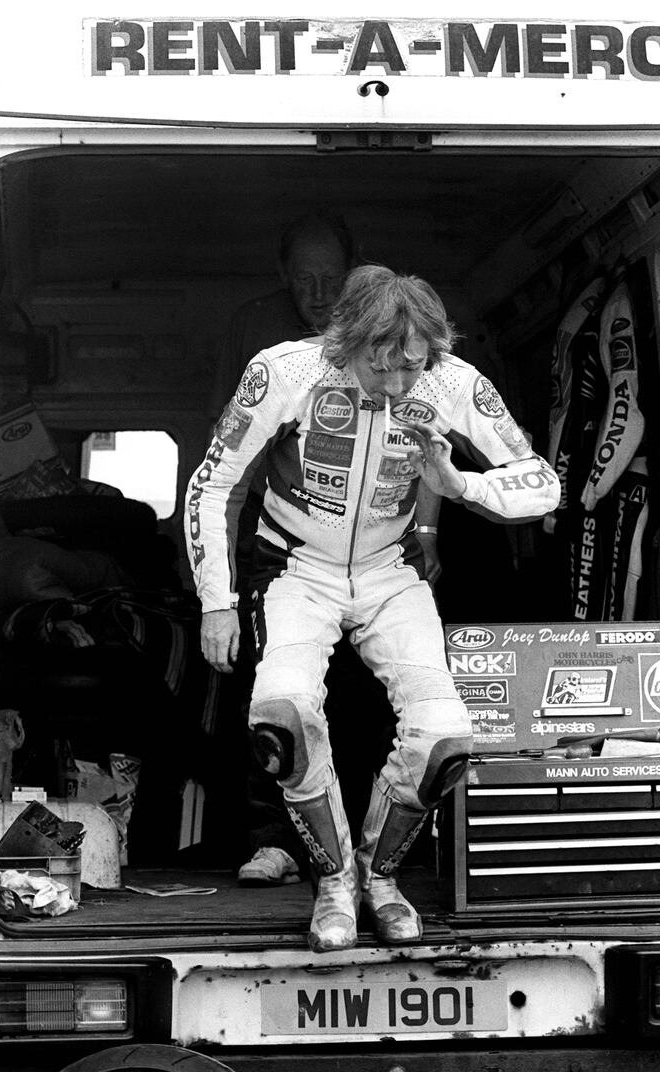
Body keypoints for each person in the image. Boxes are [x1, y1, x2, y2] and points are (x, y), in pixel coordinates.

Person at [185, 265, 560, 952]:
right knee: (283, 717)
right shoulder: (283, 371)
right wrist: (218, 602)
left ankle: (379, 878)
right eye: (378, 367)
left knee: (445, 739)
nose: (393, 385)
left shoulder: (453, 380)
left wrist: (460, 484)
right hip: (297, 567)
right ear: (342, 341)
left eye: (409, 369)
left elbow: (542, 484)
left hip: (391, 572)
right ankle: (333, 883)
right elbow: (212, 485)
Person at [212, 212, 442, 889]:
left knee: (371, 694)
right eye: (303, 279)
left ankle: (368, 850)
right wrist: (214, 573)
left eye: (330, 279)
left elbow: (427, 437)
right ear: (283, 277)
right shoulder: (260, 339)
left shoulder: (393, 335)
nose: (316, 293)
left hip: (375, 545)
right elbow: (222, 462)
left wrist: (427, 534)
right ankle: (274, 840)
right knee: (276, 691)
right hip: (281, 540)